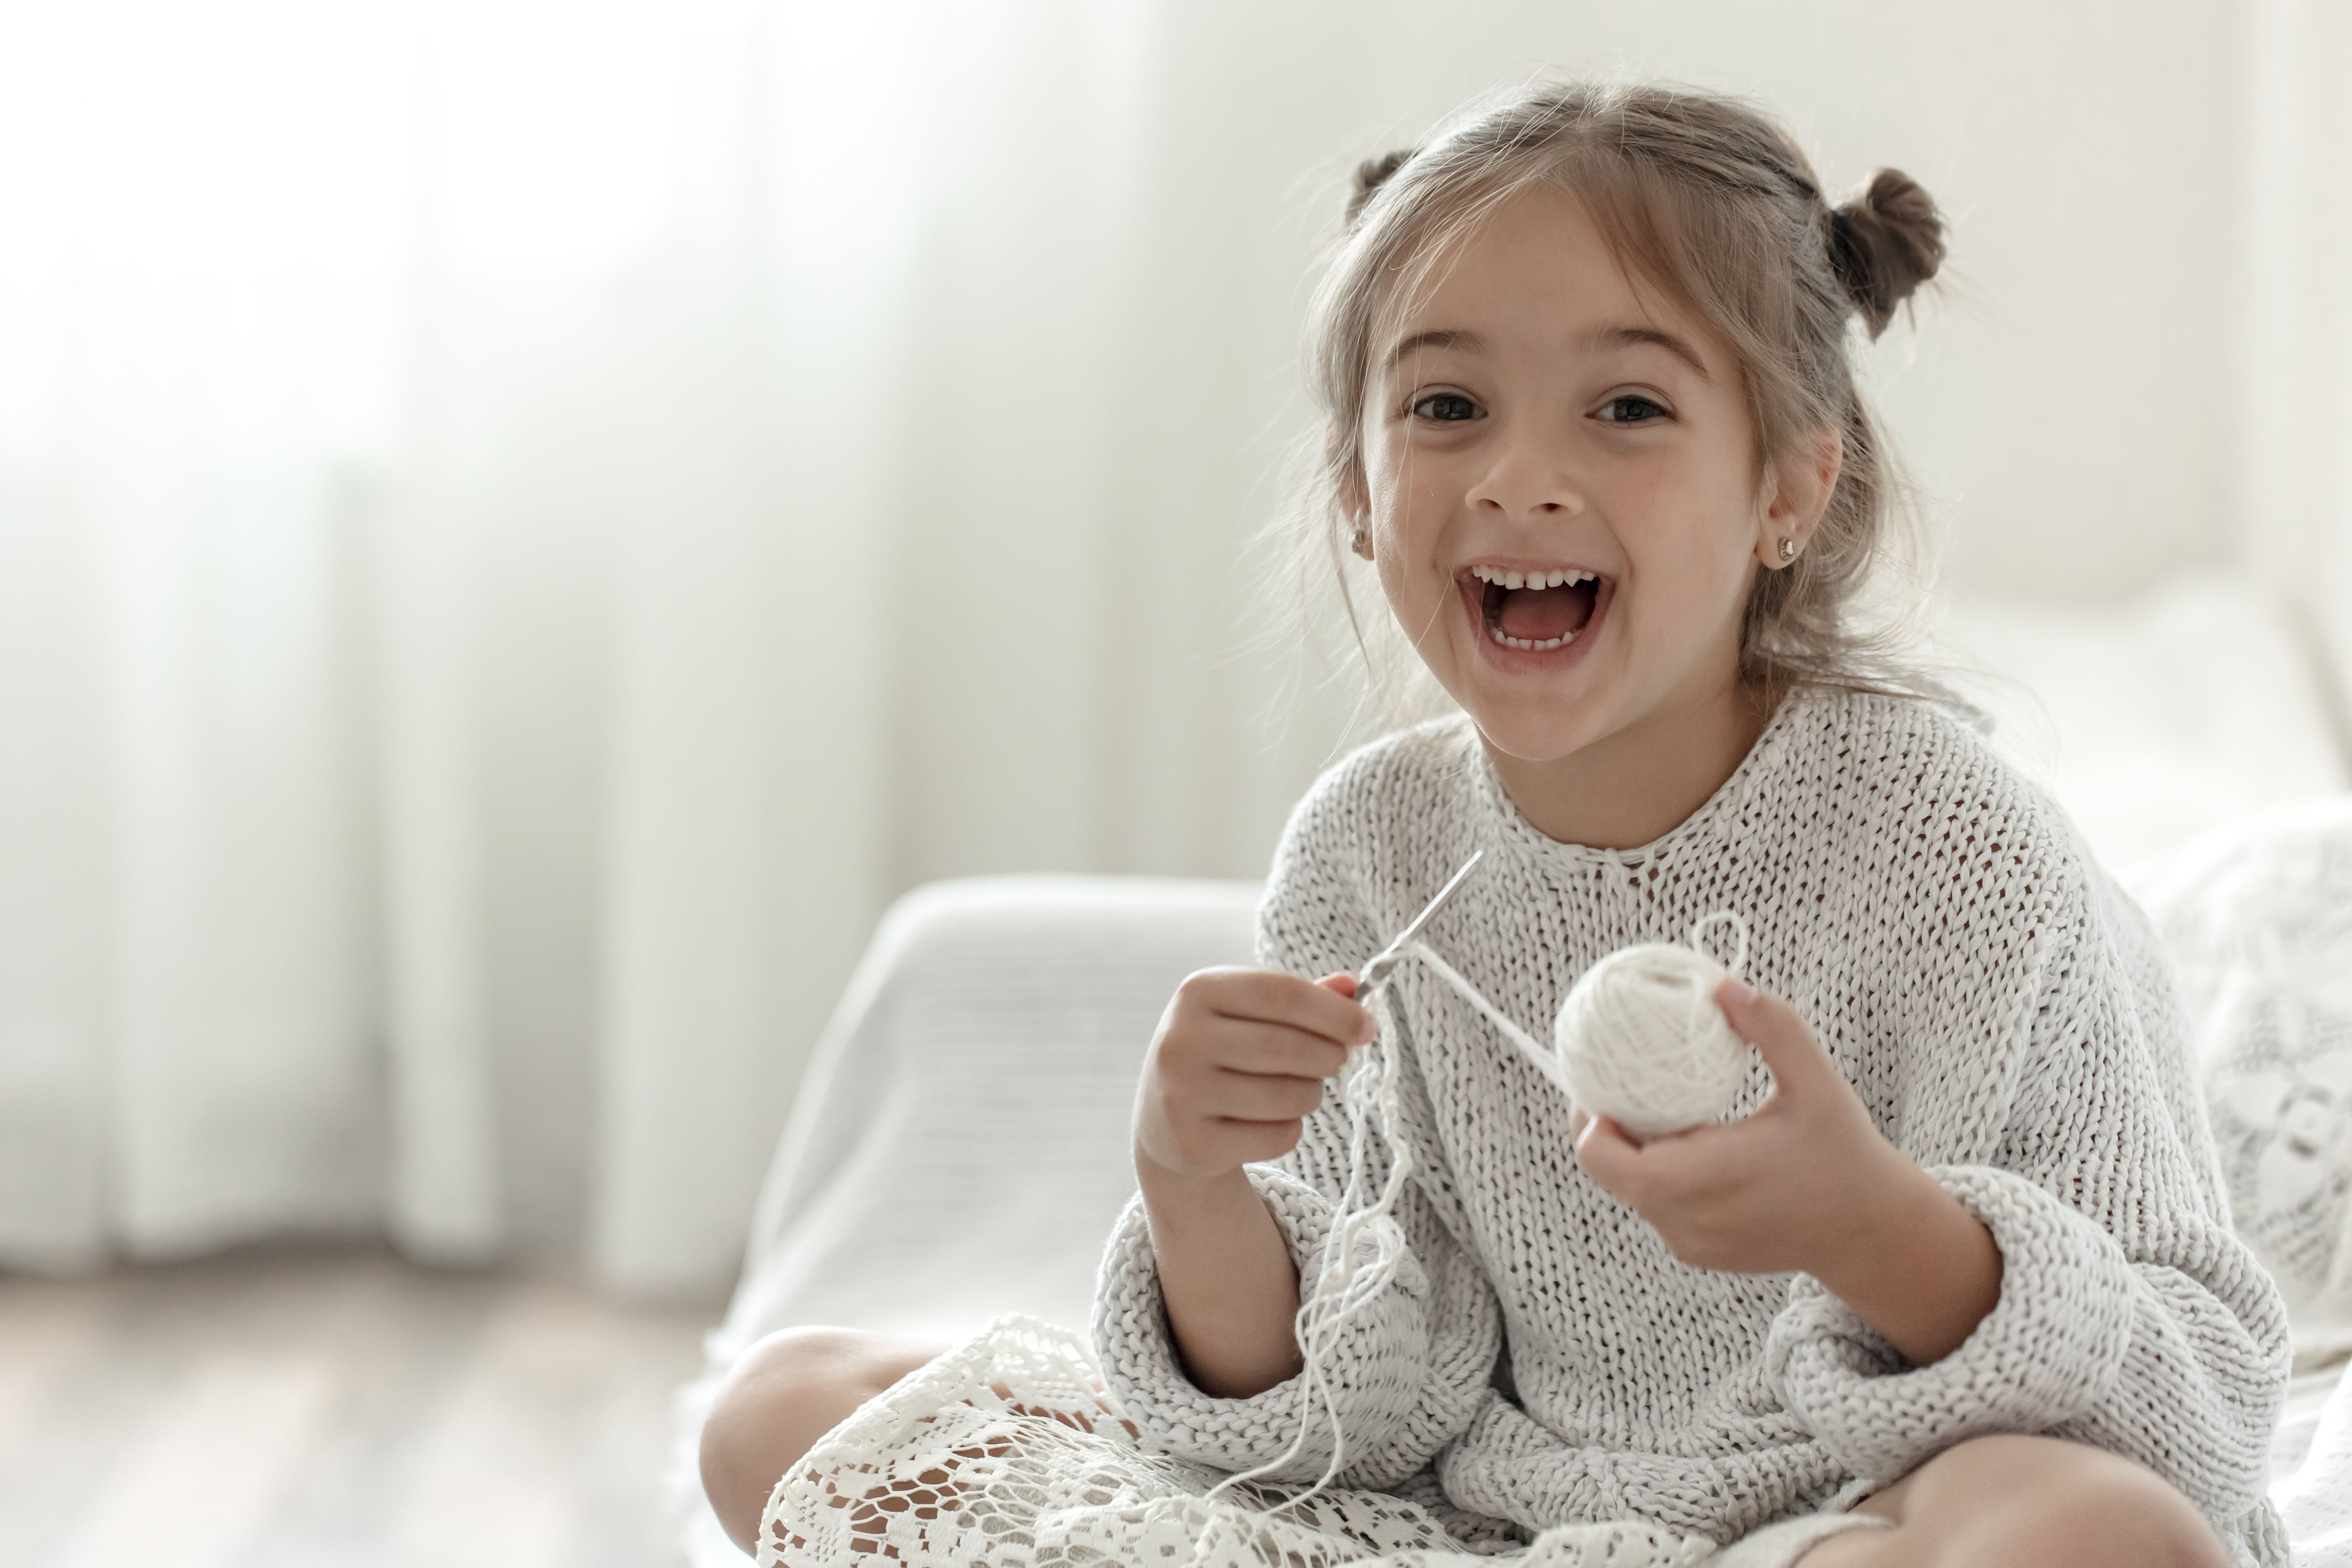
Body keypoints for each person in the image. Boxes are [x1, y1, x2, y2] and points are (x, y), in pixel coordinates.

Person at [699, 80, 2290, 1568]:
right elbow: (1347, 1423)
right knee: (791, 1413)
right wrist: (1194, 1187)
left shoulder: (1956, 847)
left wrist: (1878, 1231)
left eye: (1629, 408)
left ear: (1790, 492)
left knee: (2084, 1530)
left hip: (1830, 1526)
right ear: (1356, 484)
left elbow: (2197, 1429)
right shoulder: (1367, 850)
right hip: (1468, 1530)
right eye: (1448, 403)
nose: (1522, 476)